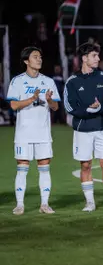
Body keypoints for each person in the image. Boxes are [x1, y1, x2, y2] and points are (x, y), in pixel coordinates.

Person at [64, 42, 103, 212]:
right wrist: (90, 110)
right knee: (86, 165)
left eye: (98, 55)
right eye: (94, 56)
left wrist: (101, 108)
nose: (98, 58)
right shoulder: (72, 82)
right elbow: (69, 106)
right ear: (84, 58)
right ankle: (90, 203)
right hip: (82, 130)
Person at [7, 46, 60, 215]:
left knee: (44, 167)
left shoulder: (48, 81)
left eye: (40, 56)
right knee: (22, 167)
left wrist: (50, 100)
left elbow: (55, 107)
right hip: (24, 133)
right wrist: (32, 98)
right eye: (35, 56)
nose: (39, 59)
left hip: (43, 133)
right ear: (26, 61)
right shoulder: (17, 81)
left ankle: (45, 204)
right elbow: (14, 105)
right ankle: (20, 205)